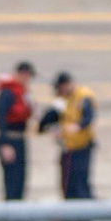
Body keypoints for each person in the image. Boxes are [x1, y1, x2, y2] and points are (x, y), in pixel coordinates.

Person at [38, 71, 96, 200]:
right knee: (68, 184)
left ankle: (82, 215)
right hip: (69, 148)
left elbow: (88, 117)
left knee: (79, 183)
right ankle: (72, 215)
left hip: (80, 147)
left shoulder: (83, 96)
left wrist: (77, 126)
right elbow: (52, 118)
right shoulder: (66, 100)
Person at [0, 60, 35, 202]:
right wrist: (5, 144)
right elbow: (0, 118)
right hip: (10, 140)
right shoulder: (8, 92)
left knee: (21, 179)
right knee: (12, 180)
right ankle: (11, 215)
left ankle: (18, 212)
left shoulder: (23, 93)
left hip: (20, 139)